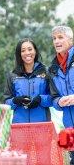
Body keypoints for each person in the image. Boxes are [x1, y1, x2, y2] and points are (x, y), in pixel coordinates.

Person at [4, 38, 52, 123]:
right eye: (23, 50)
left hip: (42, 125)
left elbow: (54, 98)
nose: (27, 53)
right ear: (19, 54)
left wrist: (41, 99)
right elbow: (6, 103)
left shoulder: (46, 72)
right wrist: (15, 100)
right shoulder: (12, 75)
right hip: (19, 125)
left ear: (35, 51)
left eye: (30, 49)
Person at [48, 25, 74, 164]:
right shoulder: (52, 69)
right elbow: (53, 97)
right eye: (54, 38)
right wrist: (59, 102)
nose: (56, 41)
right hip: (69, 126)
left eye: (60, 37)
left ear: (70, 40)